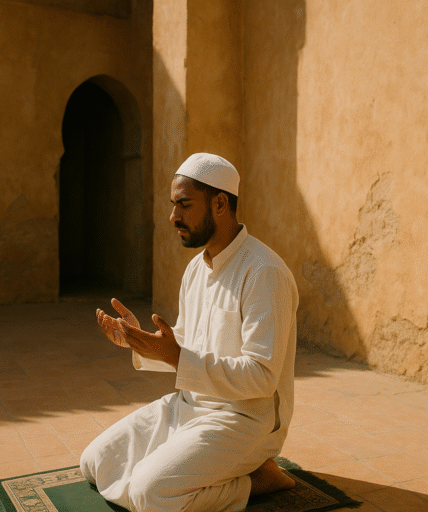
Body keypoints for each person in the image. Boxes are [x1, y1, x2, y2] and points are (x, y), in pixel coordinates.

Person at [80, 153, 299, 512]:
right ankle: (235, 476)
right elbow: (186, 346)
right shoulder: (196, 269)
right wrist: (141, 342)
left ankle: (256, 480)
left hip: (243, 419)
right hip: (188, 406)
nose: (173, 217)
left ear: (220, 203)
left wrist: (175, 355)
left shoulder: (264, 272)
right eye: (173, 205)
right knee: (94, 463)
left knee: (150, 493)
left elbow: (261, 377)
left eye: (184, 205)